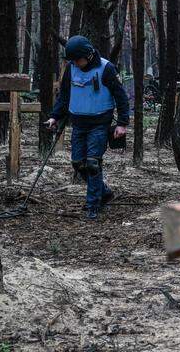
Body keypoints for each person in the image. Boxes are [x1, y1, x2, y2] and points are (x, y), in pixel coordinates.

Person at [46, 35, 130, 220]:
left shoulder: (106, 68)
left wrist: (122, 123)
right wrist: (54, 116)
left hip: (100, 124)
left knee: (93, 164)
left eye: (78, 59)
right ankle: (104, 192)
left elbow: (121, 96)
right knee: (78, 163)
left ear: (89, 55)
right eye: (73, 60)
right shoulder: (71, 68)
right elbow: (65, 95)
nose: (76, 63)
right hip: (78, 124)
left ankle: (93, 205)